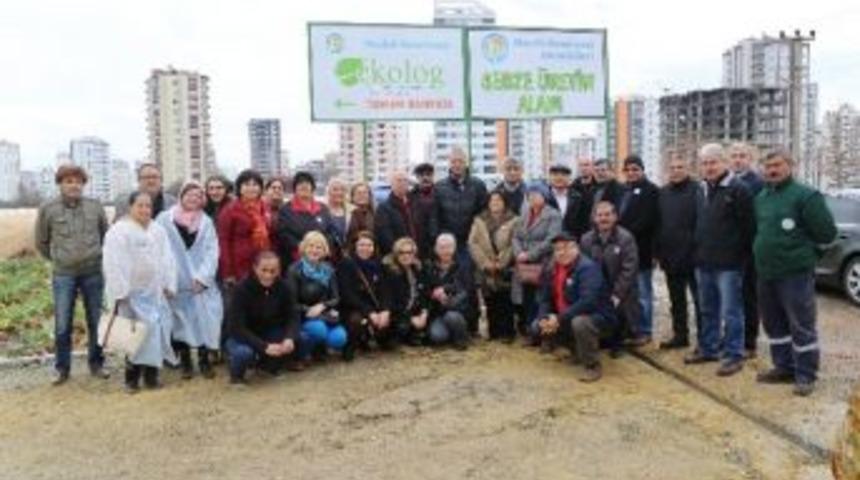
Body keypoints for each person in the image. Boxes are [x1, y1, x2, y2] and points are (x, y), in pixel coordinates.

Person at [754, 150, 837, 397]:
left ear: (791, 165)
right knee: (774, 324)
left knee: (801, 325)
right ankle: (784, 367)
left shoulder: (806, 196)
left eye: (777, 165)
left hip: (795, 275)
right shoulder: (761, 197)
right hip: (766, 272)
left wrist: (807, 255)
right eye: (768, 166)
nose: (772, 170)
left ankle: (805, 374)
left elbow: (827, 234)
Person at [35, 165, 110, 385]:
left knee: (96, 320)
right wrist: (59, 260)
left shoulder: (95, 207)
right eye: (68, 181)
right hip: (63, 275)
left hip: (93, 272)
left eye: (78, 181)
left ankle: (97, 364)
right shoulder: (48, 209)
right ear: (60, 184)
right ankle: (62, 368)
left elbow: (105, 235)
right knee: (62, 323)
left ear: (83, 184)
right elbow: (41, 242)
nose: (74, 185)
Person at [684, 143, 755, 377]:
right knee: (707, 309)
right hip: (704, 262)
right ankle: (708, 348)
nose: (709, 167)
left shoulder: (739, 189)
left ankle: (734, 355)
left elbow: (749, 229)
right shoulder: (701, 189)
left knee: (732, 312)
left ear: (724, 162)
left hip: (730, 265)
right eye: (704, 163)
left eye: (713, 161)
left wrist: (739, 258)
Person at [103, 192, 178, 393]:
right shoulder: (118, 231)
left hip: (154, 293)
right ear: (130, 207)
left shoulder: (158, 230)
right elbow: (112, 263)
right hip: (131, 295)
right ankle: (131, 379)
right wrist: (120, 290)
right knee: (134, 336)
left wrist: (168, 284)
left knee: (155, 333)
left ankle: (152, 377)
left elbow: (167, 259)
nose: (145, 210)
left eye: (148, 206)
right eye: (140, 205)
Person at [156, 181, 222, 380]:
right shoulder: (164, 219)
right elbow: (157, 251)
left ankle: (204, 360)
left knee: (204, 321)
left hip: (199, 283)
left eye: (197, 195)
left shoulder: (206, 222)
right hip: (174, 281)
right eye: (189, 194)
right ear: (181, 196)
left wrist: (203, 278)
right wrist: (165, 280)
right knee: (179, 322)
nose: (193, 198)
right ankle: (185, 362)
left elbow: (212, 251)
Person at [534, 232, 617, 382]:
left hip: (598, 317)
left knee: (579, 323)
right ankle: (576, 350)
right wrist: (543, 318)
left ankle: (592, 366)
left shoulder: (588, 268)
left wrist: (558, 318)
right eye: (558, 249)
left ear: (576, 248)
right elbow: (544, 298)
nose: (562, 253)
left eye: (566, 248)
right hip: (566, 316)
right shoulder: (551, 268)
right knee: (537, 326)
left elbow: (588, 302)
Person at [432, 147, 488, 334]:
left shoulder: (478, 185)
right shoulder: (439, 187)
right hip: (447, 243)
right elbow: (435, 216)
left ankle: (471, 326)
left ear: (466, 162)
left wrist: (477, 239)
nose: (457, 165)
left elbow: (482, 215)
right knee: (449, 282)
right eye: (453, 161)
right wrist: (438, 240)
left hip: (468, 243)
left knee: (470, 284)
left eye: (460, 161)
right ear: (449, 163)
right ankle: (447, 320)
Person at [225, 251, 301, 385]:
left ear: (279, 270)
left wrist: (289, 337)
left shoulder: (285, 287)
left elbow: (293, 316)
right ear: (255, 268)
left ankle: (265, 367)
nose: (268, 275)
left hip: (268, 331)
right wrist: (263, 346)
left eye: (273, 271)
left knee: (294, 340)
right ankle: (236, 376)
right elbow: (236, 327)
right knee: (243, 353)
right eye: (264, 270)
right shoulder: (241, 290)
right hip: (241, 335)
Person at [580, 201, 640, 355]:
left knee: (618, 306)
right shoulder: (586, 239)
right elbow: (583, 266)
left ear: (615, 217)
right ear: (594, 218)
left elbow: (629, 268)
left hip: (620, 285)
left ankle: (618, 342)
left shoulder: (625, 238)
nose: (603, 218)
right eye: (599, 215)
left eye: (607, 215)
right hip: (597, 285)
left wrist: (617, 293)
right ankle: (601, 339)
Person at [656, 154, 701, 350]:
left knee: (701, 302)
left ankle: (705, 340)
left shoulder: (699, 190)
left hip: (695, 256)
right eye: (672, 168)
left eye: (680, 167)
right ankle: (680, 336)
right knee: (676, 301)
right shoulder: (663, 193)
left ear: (688, 169)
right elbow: (658, 224)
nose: (676, 171)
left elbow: (703, 223)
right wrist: (658, 252)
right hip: (671, 256)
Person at [618, 155, 660, 346]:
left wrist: (622, 233)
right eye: (628, 170)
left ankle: (645, 330)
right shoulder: (623, 190)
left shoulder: (651, 191)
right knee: (629, 292)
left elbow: (648, 220)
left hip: (642, 250)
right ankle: (632, 328)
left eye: (635, 169)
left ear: (642, 170)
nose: (632, 173)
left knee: (644, 293)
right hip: (623, 251)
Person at [286, 231, 348, 361]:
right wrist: (308, 310)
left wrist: (322, 306)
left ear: (324, 250)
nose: (314, 250)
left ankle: (320, 349)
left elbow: (336, 298)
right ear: (304, 248)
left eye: (319, 247)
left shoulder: (328, 269)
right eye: (311, 246)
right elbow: (291, 303)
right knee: (319, 330)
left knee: (340, 338)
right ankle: (306, 352)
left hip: (325, 314)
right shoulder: (294, 270)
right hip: (304, 316)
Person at [513, 184, 562, 341]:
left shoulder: (553, 214)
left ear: (544, 196)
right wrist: (519, 252)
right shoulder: (525, 213)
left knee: (541, 298)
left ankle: (541, 331)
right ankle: (529, 328)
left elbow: (552, 239)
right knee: (526, 296)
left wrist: (530, 255)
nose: (532, 198)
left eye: (536, 194)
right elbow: (516, 236)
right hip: (524, 264)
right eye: (529, 195)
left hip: (544, 262)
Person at [729, 142, 765, 357]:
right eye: (734, 155)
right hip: (730, 250)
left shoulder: (758, 184)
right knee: (732, 298)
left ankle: (749, 342)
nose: (738, 159)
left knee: (749, 296)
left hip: (750, 250)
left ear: (750, 158)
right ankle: (734, 336)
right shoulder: (727, 181)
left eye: (742, 155)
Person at [468, 191, 518, 342]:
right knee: (489, 299)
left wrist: (501, 262)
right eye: (492, 200)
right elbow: (473, 243)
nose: (495, 202)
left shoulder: (514, 220)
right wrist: (485, 263)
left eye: (499, 200)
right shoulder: (479, 220)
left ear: (505, 202)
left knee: (505, 300)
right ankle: (493, 331)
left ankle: (507, 332)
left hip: (505, 265)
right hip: (485, 266)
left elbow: (513, 243)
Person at [337, 231, 393, 355]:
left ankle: (375, 338)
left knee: (388, 322)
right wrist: (369, 311)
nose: (365, 249)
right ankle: (352, 343)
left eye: (369, 245)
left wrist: (385, 309)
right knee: (356, 320)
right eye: (361, 245)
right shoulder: (346, 264)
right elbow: (347, 294)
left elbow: (385, 290)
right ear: (355, 246)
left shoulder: (379, 264)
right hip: (353, 307)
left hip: (375, 304)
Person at [217, 170, 271, 288]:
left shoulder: (265, 207)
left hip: (263, 263)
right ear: (239, 187)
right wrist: (228, 272)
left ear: (261, 188)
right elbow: (223, 242)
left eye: (255, 184)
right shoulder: (230, 210)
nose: (251, 188)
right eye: (247, 184)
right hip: (240, 266)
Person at [423, 234, 470, 349]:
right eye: (442, 247)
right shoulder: (429, 267)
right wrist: (433, 294)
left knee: (452, 317)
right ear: (436, 249)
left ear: (454, 248)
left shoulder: (463, 266)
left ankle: (461, 339)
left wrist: (446, 292)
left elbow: (466, 288)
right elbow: (425, 289)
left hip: (458, 311)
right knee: (437, 337)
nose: (446, 251)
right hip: (437, 312)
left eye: (449, 247)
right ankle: (447, 334)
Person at [277, 172, 335, 264]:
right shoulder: (285, 210)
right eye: (300, 184)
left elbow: (331, 230)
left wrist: (322, 246)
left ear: (312, 188)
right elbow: (283, 233)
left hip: (321, 259)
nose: (304, 186)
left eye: (307, 183)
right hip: (295, 259)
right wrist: (302, 246)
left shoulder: (323, 208)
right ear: (295, 189)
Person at [383, 237, 429, 346]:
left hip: (415, 312)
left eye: (409, 252)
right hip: (398, 315)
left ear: (414, 254)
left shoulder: (418, 269)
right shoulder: (390, 272)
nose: (406, 255)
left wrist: (424, 312)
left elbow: (425, 294)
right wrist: (411, 319)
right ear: (396, 254)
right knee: (402, 328)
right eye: (401, 252)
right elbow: (391, 303)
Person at [374, 169, 420, 257]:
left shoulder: (415, 203)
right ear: (391, 183)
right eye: (399, 180)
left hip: (417, 253)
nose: (402, 183)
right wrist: (402, 253)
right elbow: (384, 236)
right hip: (398, 255)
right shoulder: (384, 208)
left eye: (405, 180)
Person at [546, 162, 588, 239]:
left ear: (569, 178)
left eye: (563, 175)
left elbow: (584, 224)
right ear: (549, 177)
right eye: (555, 174)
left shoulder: (578, 198)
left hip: (572, 243)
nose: (559, 178)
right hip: (547, 244)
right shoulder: (543, 197)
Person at [411, 162, 437, 260]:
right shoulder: (410, 196)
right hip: (418, 243)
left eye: (428, 174)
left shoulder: (440, 194)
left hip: (437, 241)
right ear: (417, 178)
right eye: (421, 175)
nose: (425, 178)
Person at [325, 177, 350, 255]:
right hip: (328, 254)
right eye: (335, 189)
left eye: (342, 190)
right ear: (328, 192)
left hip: (348, 255)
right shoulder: (322, 210)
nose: (339, 193)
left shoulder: (352, 211)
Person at [346, 182, 375, 246]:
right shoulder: (347, 214)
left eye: (365, 193)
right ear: (352, 196)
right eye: (359, 193)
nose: (362, 195)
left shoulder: (375, 214)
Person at [264, 176, 288, 254]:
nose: (277, 190)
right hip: (264, 254)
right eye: (273, 188)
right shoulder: (260, 209)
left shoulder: (288, 210)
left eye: (280, 188)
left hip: (284, 253)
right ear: (266, 191)